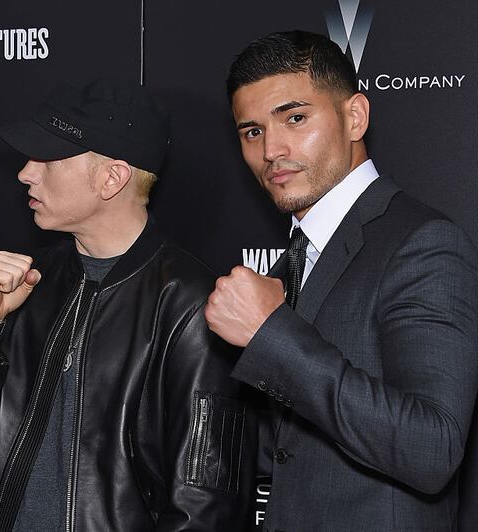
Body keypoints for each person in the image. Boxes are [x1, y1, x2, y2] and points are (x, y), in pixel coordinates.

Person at [0, 79, 255, 531]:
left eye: (48, 157)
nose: (25, 173)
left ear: (113, 177)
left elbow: (203, 509)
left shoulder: (192, 303)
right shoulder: (31, 284)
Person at [205, 30, 478, 531]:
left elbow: (432, 449)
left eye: (295, 118)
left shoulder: (422, 242)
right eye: (252, 132)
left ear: (354, 117)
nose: (272, 150)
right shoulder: (295, 257)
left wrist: (272, 334)